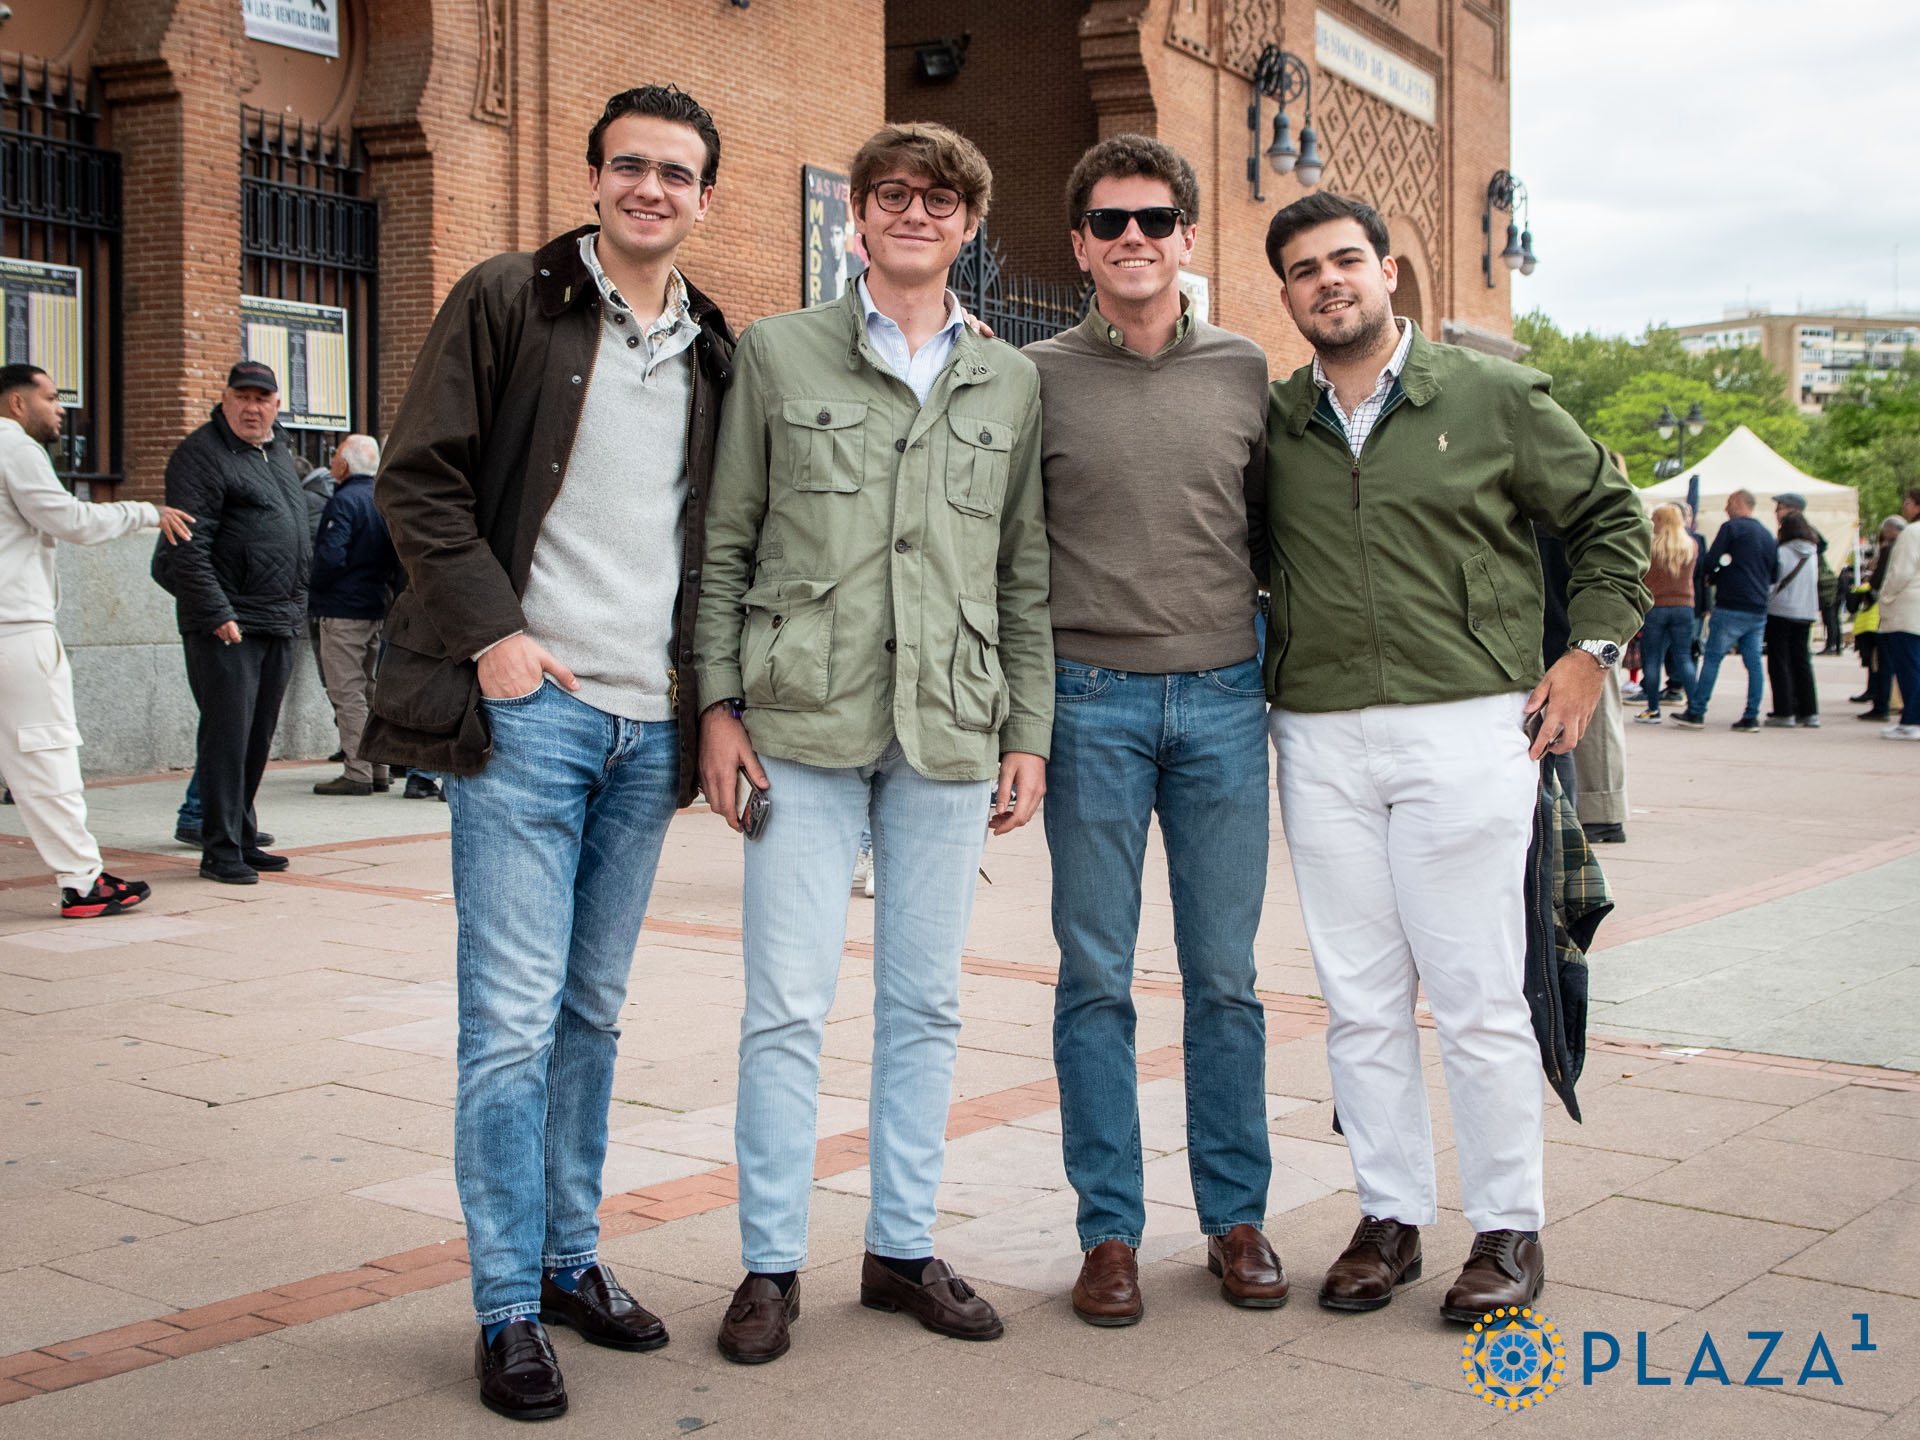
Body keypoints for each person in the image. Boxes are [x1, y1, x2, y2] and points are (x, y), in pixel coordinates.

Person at [367, 85, 735, 1422]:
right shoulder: (508, 299)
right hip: (531, 714)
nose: (651, 188)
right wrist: (497, 641)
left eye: (676, 173)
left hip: (647, 727)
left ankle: (570, 1260)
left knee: (590, 1015)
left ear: (705, 198)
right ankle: (505, 1307)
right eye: (630, 165)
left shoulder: (713, 349)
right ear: (592, 179)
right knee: (512, 1023)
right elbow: (419, 477)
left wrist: (707, 707)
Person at [693, 121, 1050, 1365]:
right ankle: (769, 1264)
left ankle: (901, 1248)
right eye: (891, 193)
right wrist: (716, 705)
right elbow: (726, 540)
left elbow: (1022, 571)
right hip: (802, 719)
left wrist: (1029, 729)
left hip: (948, 724)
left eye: (940, 199)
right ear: (857, 214)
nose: (914, 213)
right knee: (786, 1007)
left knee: (926, 1004)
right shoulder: (779, 352)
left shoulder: (1009, 380)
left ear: (969, 225)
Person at [1258, 193, 1649, 1323]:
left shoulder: (1490, 396)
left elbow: (1610, 515)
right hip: (1319, 733)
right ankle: (1389, 1217)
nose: (1328, 281)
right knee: (1358, 998)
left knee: (1477, 990)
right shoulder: (1276, 418)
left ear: (1388, 272)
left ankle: (1508, 1227)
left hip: (1468, 723)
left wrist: (1589, 655)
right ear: (1286, 295)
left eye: (1346, 260)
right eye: (1304, 270)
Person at [1024, 135, 1281, 1326]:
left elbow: (1275, 533)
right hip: (1091, 705)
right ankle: (1110, 1234)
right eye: (1111, 222)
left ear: (1187, 237)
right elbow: (1011, 551)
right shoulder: (1032, 377)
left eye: (1156, 219)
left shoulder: (1246, 370)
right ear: (1079, 245)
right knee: (1095, 977)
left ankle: (1236, 1218)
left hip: (1224, 700)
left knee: (1225, 978)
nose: (1135, 237)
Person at [0, 364, 192, 916]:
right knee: (47, 757)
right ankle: (84, 883)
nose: (61, 408)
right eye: (50, 397)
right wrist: (145, 512)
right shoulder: (14, 447)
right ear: (17, 403)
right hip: (17, 630)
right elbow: (69, 520)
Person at [152, 361, 308, 883]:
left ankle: (241, 835)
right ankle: (218, 850)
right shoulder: (200, 454)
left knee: (257, 738)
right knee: (227, 739)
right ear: (224, 400)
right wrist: (216, 612)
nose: (252, 407)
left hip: (278, 617)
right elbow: (186, 546)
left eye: (262, 399)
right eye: (242, 397)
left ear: (277, 405)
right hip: (229, 623)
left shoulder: (277, 451)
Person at [309, 434, 401, 795]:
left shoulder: (343, 501)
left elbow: (331, 557)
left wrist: (317, 585)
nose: (332, 461)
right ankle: (378, 768)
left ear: (344, 465)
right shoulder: (381, 499)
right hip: (374, 604)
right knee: (369, 689)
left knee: (347, 691)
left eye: (335, 456)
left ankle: (358, 772)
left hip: (343, 607)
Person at [1672, 488, 1775, 733]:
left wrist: (1718, 576)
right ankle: (1751, 715)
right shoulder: (1767, 535)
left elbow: (1710, 561)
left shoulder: (1732, 528)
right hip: (1758, 607)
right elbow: (1775, 573)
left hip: (1731, 604)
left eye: (1729, 503)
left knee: (1713, 658)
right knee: (1754, 663)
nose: (1726, 508)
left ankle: (1697, 711)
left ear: (1739, 503)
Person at [1635, 503, 1699, 724]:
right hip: (1684, 606)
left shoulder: (1650, 546)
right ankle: (1696, 709)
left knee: (1652, 659)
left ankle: (1653, 709)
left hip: (1656, 606)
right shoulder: (1691, 545)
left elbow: (1641, 576)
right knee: (1684, 658)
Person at [1764, 499, 1822, 727]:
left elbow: (1773, 581)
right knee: (1802, 661)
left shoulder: (1783, 552)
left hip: (1781, 610)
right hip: (1806, 611)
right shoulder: (1812, 552)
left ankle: (1784, 710)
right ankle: (1809, 711)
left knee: (1779, 661)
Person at [1853, 517, 1907, 721]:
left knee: (1884, 661)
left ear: (1890, 531)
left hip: (1886, 612)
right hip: (1903, 612)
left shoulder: (1890, 549)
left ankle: (1882, 705)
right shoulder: (1905, 548)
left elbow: (1879, 581)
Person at [1879, 487, 1920, 740]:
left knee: (1909, 666)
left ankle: (1913, 720)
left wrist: (1885, 597)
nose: (1904, 506)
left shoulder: (1911, 533)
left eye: (1908, 502)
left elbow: (1901, 572)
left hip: (1908, 609)